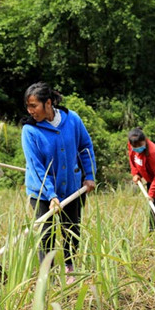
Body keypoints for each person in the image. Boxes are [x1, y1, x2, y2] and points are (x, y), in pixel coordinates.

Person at [21, 82, 96, 284]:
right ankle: (48, 276)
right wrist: (51, 195)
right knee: (46, 233)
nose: (30, 111)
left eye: (34, 106)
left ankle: (70, 269)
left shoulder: (72, 120)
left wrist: (89, 175)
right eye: (28, 106)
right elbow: (35, 167)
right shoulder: (30, 130)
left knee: (72, 230)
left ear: (48, 103)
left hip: (71, 187)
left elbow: (85, 147)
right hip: (41, 192)